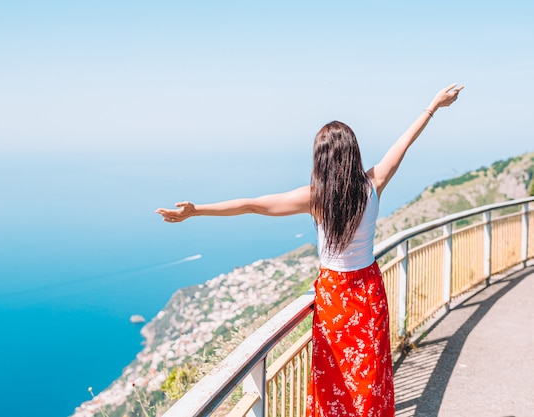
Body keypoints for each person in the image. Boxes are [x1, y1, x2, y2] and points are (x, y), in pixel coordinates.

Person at [155, 83, 464, 417]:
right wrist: (432, 105)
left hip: (334, 297)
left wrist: (196, 209)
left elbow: (252, 205)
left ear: (321, 159)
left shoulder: (315, 198)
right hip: (369, 292)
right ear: (353, 154)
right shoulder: (373, 184)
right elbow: (404, 143)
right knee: (370, 375)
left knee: (333, 378)